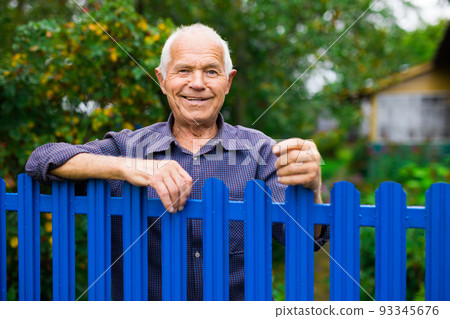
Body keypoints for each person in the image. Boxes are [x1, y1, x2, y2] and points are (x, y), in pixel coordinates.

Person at [26, 23, 328, 300]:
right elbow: (42, 160)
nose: (197, 84)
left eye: (211, 71)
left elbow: (303, 239)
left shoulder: (261, 151)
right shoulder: (128, 147)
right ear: (162, 79)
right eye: (184, 70)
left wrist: (313, 189)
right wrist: (128, 167)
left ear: (228, 81)